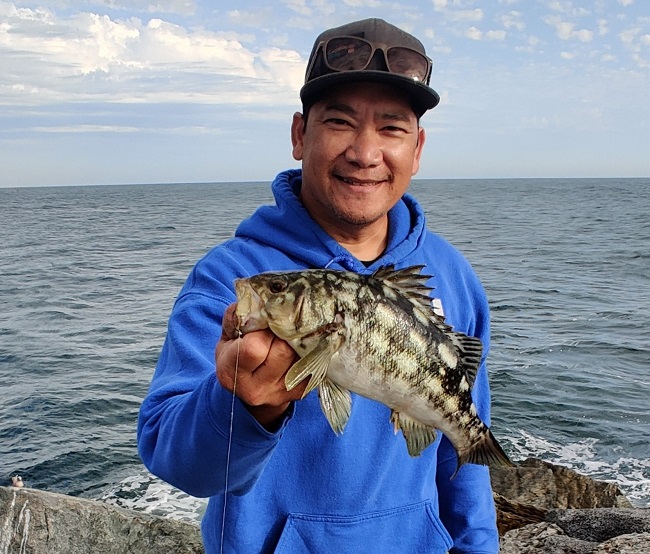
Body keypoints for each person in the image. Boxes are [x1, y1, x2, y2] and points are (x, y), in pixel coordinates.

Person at [138, 18, 500, 553]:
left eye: (393, 128)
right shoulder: (226, 279)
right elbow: (176, 461)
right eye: (339, 122)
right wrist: (245, 406)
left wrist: (479, 546)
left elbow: (463, 451)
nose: (365, 152)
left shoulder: (453, 276)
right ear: (298, 135)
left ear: (417, 148)